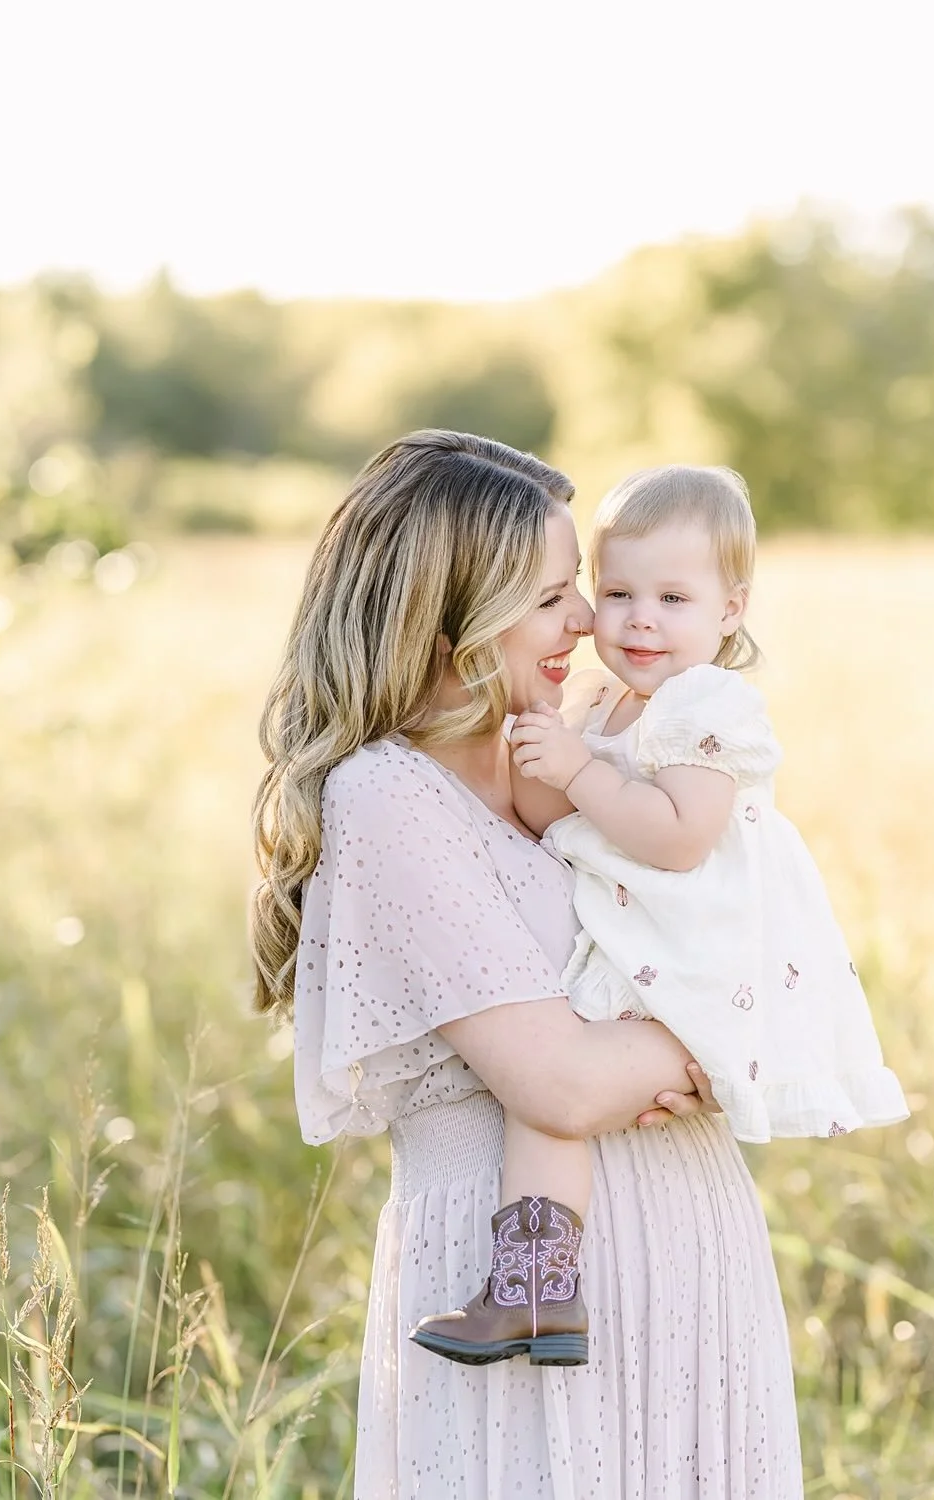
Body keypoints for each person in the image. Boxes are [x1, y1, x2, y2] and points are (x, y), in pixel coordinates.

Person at [252, 432, 804, 1497]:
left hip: (693, 1262)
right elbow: (560, 1083)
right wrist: (706, 1037)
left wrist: (720, 1023)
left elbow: (748, 925)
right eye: (554, 597)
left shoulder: (587, 750)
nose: (592, 622)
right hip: (522, 1305)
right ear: (451, 609)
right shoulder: (388, 795)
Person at [412, 462, 908, 1371]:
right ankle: (537, 1288)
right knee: (547, 1102)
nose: (639, 618)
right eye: (617, 592)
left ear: (731, 609)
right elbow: (547, 817)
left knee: (550, 1093)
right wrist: (533, 725)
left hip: (693, 941)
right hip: (635, 934)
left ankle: (533, 1288)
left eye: (673, 597)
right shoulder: (602, 702)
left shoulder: (705, 705)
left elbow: (678, 837)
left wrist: (578, 770)